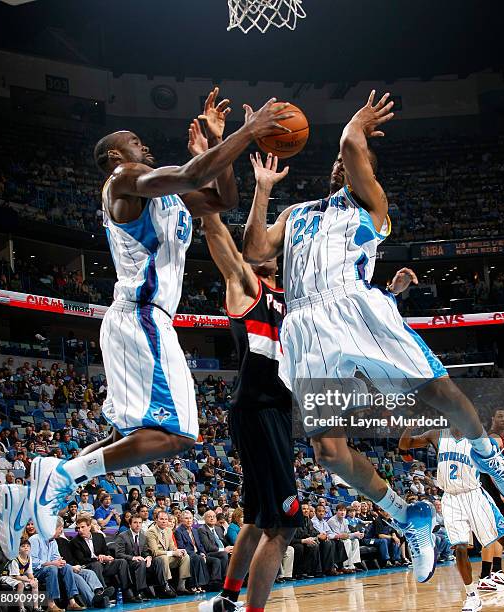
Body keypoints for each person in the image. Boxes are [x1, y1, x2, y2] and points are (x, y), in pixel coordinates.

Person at [241, 90, 504, 583]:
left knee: (439, 391)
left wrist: (354, 127)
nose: (341, 163)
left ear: (366, 172)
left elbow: (352, 146)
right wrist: (264, 187)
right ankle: (408, 515)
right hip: (306, 326)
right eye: (338, 160)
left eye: (351, 161)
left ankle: (487, 453)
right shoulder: (299, 213)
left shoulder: (374, 205)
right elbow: (253, 250)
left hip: (355, 307)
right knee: (328, 453)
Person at [0, 90, 295, 552]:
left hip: (143, 323)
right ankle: (64, 473)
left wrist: (217, 142)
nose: (145, 146)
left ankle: (30, 491)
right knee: (179, 434)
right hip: (141, 318)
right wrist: (246, 132)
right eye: (135, 140)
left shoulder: (167, 195)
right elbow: (192, 173)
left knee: (128, 437)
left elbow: (223, 198)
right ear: (116, 155)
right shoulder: (124, 180)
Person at [197, 114, 303, 612]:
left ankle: (226, 599)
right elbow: (215, 224)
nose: (268, 252)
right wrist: (222, 156)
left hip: (275, 413)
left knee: (258, 519)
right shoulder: (245, 285)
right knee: (282, 526)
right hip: (258, 409)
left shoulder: (293, 298)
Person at [400, 426, 504, 611]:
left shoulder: (477, 437)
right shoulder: (436, 435)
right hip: (451, 498)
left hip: (475, 494)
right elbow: (405, 444)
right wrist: (409, 426)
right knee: (460, 547)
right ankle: (472, 596)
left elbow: (497, 441)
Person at [480, 407, 504, 590]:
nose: (503, 419)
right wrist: (503, 491)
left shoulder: (499, 438)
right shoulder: (494, 438)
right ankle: (485, 575)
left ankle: (497, 572)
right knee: (492, 534)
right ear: (492, 418)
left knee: (500, 533)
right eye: (499, 416)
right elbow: (493, 468)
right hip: (489, 491)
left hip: (492, 491)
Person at [70, 514, 140, 603]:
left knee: (122, 562)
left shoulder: (98, 536)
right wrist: (98, 558)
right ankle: (103, 594)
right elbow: (81, 559)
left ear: (89, 526)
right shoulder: (75, 542)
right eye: (78, 528)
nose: (80, 530)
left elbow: (106, 551)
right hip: (88, 566)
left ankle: (127, 592)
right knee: (97, 564)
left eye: (82, 527)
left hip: (104, 564)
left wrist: (107, 556)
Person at [115, 513, 172, 599]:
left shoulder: (143, 536)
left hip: (141, 561)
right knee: (141, 563)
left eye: (140, 523)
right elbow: (118, 554)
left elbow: (145, 552)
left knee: (159, 560)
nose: (138, 525)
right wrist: (133, 558)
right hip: (129, 563)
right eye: (135, 522)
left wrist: (148, 557)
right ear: (130, 524)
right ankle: (140, 591)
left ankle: (162, 588)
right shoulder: (122, 536)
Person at [28, 525, 86, 612]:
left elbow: (56, 557)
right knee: (52, 568)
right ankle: (51, 604)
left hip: (49, 568)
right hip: (35, 571)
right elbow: (34, 562)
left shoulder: (53, 541)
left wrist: (61, 562)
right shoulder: (34, 539)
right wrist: (53, 563)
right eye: (60, 530)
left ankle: (72, 602)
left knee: (67, 567)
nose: (61, 533)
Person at [145, 509, 190, 595]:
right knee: (163, 558)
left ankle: (181, 586)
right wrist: (173, 553)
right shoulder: (151, 531)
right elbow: (155, 552)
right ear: (156, 520)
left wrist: (178, 551)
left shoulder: (168, 530)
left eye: (166, 519)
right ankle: (166, 585)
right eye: (161, 519)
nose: (164, 521)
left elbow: (172, 547)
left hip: (166, 556)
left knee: (185, 556)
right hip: (155, 559)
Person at [176, 509, 221, 589]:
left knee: (215, 560)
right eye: (186, 518)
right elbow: (181, 547)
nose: (189, 520)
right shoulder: (179, 531)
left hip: (198, 554)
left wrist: (203, 553)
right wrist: (197, 554)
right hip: (189, 554)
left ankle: (214, 583)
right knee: (197, 558)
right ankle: (199, 585)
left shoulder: (195, 530)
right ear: (182, 520)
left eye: (190, 518)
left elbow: (200, 545)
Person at [0, 537, 42, 612]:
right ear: (18, 549)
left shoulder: (29, 558)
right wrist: (29, 580)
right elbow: (16, 576)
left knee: (35, 583)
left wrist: (33, 579)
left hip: (19, 577)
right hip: (7, 577)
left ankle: (36, 607)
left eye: (28, 546)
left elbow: (30, 573)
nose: (26, 548)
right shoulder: (14, 560)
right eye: (23, 546)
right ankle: (21, 608)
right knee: (20, 584)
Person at [197, 509, 233, 582]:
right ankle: (225, 579)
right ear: (204, 519)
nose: (212, 518)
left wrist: (231, 547)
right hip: (210, 553)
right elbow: (208, 547)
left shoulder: (218, 529)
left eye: (213, 516)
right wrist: (224, 550)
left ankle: (239, 578)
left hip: (221, 551)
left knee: (235, 553)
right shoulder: (202, 530)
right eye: (209, 516)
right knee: (223, 554)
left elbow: (225, 542)